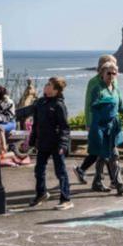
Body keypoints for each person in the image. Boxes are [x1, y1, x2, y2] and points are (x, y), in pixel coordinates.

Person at [75, 59, 123, 194]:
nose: (111, 76)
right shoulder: (97, 88)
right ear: (102, 73)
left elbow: (119, 107)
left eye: (114, 74)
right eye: (109, 73)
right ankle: (119, 184)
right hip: (100, 127)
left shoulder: (116, 89)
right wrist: (92, 124)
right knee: (112, 155)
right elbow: (92, 106)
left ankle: (97, 182)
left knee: (104, 157)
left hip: (113, 128)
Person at [17, 77, 72, 210]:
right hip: (42, 143)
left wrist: (63, 145)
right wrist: (31, 141)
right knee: (39, 170)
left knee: (61, 171)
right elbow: (34, 122)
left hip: (56, 143)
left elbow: (65, 127)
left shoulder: (59, 105)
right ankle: (41, 194)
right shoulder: (40, 102)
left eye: (49, 84)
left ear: (55, 90)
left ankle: (66, 199)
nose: (46, 86)